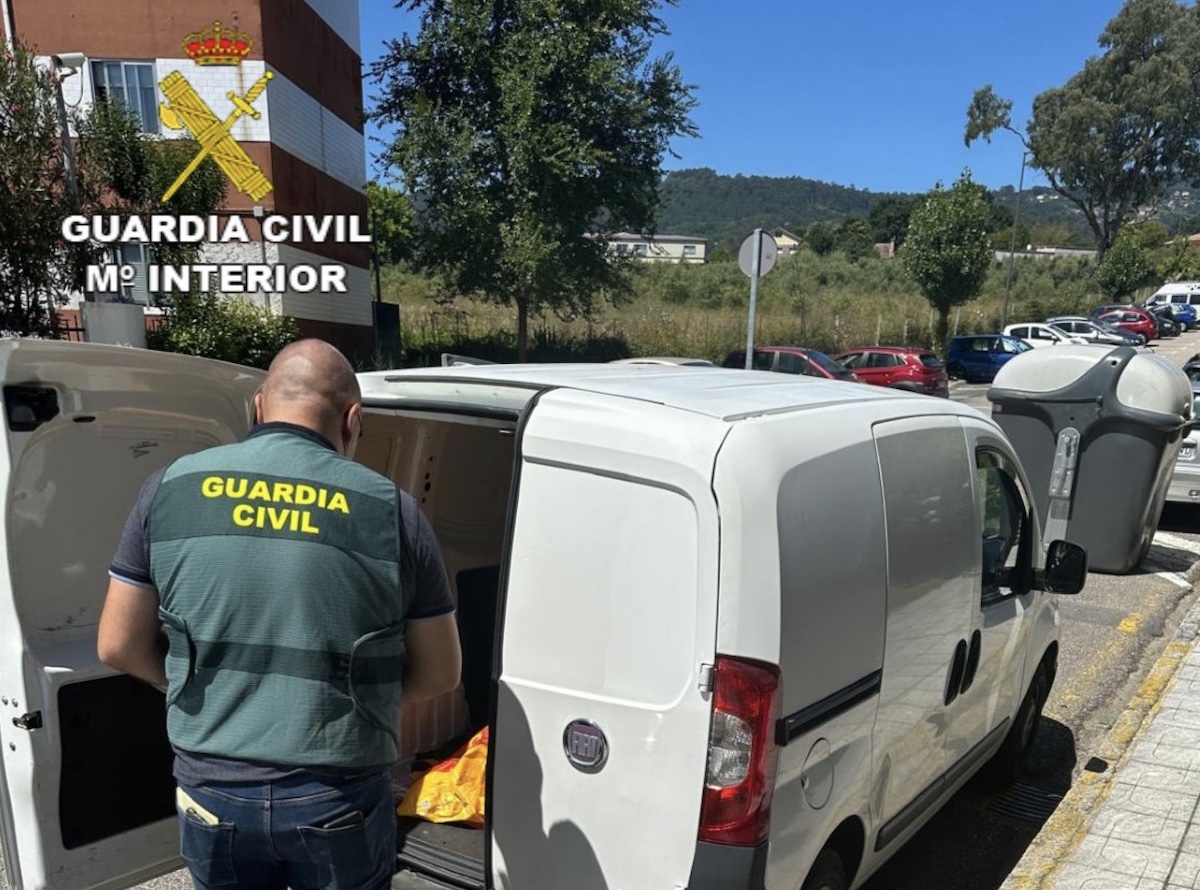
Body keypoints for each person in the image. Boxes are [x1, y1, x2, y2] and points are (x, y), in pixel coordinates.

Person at [98, 339, 462, 890]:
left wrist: (197, 684)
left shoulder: (169, 488)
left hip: (213, 787)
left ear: (259, 407)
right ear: (353, 419)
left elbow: (117, 645)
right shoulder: (392, 511)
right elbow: (441, 674)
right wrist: (352, 701)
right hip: (338, 791)